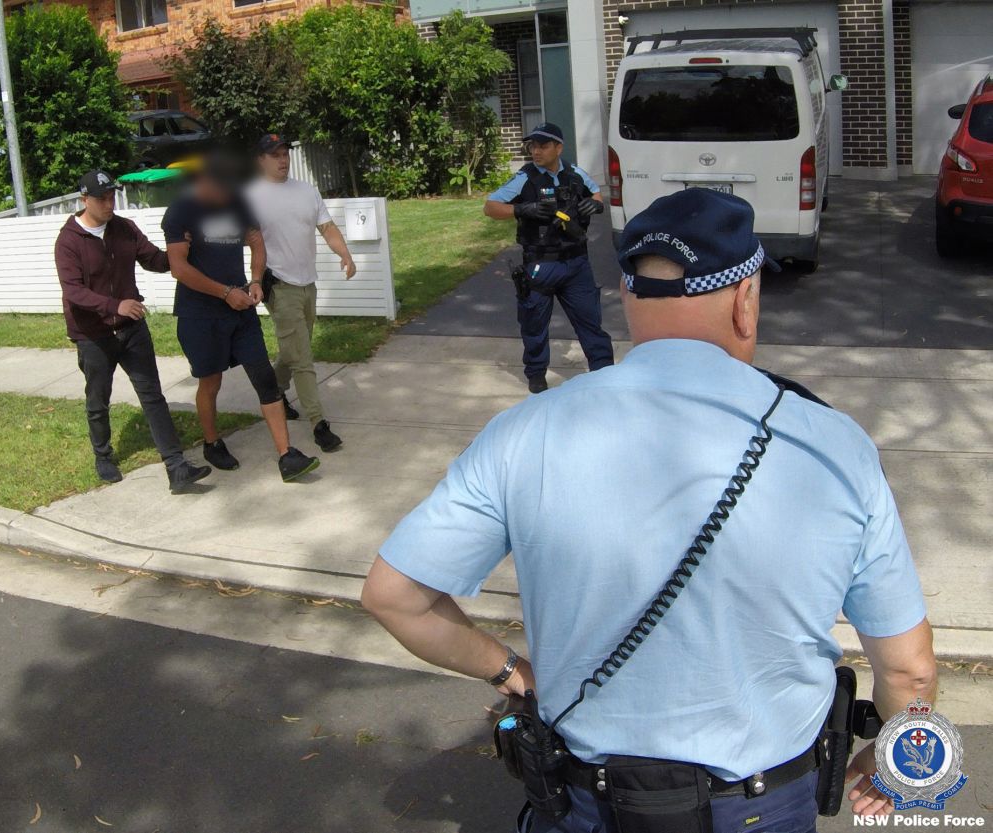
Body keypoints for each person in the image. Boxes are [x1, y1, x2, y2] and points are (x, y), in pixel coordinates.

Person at [362, 189, 937, 832]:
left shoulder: (524, 431)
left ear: (629, 301)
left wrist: (511, 672)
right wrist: (896, 765)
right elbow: (909, 674)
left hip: (584, 802)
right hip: (762, 806)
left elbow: (395, 596)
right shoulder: (835, 445)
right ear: (746, 301)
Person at [161, 153, 320, 482]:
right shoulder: (181, 211)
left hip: (241, 311)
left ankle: (287, 456)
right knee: (211, 382)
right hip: (201, 315)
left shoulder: (237, 203)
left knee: (264, 379)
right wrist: (224, 293)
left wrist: (256, 280)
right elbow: (179, 268)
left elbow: (256, 242)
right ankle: (211, 442)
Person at [54, 169, 212, 494]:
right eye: (102, 198)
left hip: (132, 330)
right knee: (98, 399)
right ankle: (103, 456)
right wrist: (116, 306)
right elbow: (74, 292)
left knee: (153, 396)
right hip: (93, 334)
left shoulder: (124, 229)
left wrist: (180, 252)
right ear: (84, 200)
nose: (109, 203)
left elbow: (153, 259)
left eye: (112, 196)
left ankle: (177, 468)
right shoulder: (69, 241)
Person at [484, 122, 614, 394]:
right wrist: (523, 209)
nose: (535, 151)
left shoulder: (575, 174)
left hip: (577, 263)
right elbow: (491, 207)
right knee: (534, 324)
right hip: (541, 263)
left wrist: (597, 204)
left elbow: (596, 193)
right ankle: (536, 375)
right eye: (532, 145)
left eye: (542, 145)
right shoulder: (525, 177)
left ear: (559, 148)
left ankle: (604, 374)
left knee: (591, 323)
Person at [246, 133, 355, 452]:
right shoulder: (250, 197)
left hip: (308, 282)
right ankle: (319, 424)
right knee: (303, 358)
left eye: (285, 153)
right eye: (274, 155)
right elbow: (247, 240)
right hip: (279, 285)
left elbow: (327, 227)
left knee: (295, 348)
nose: (282, 160)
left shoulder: (306, 191)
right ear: (260, 160)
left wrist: (344, 253)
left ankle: (275, 389)